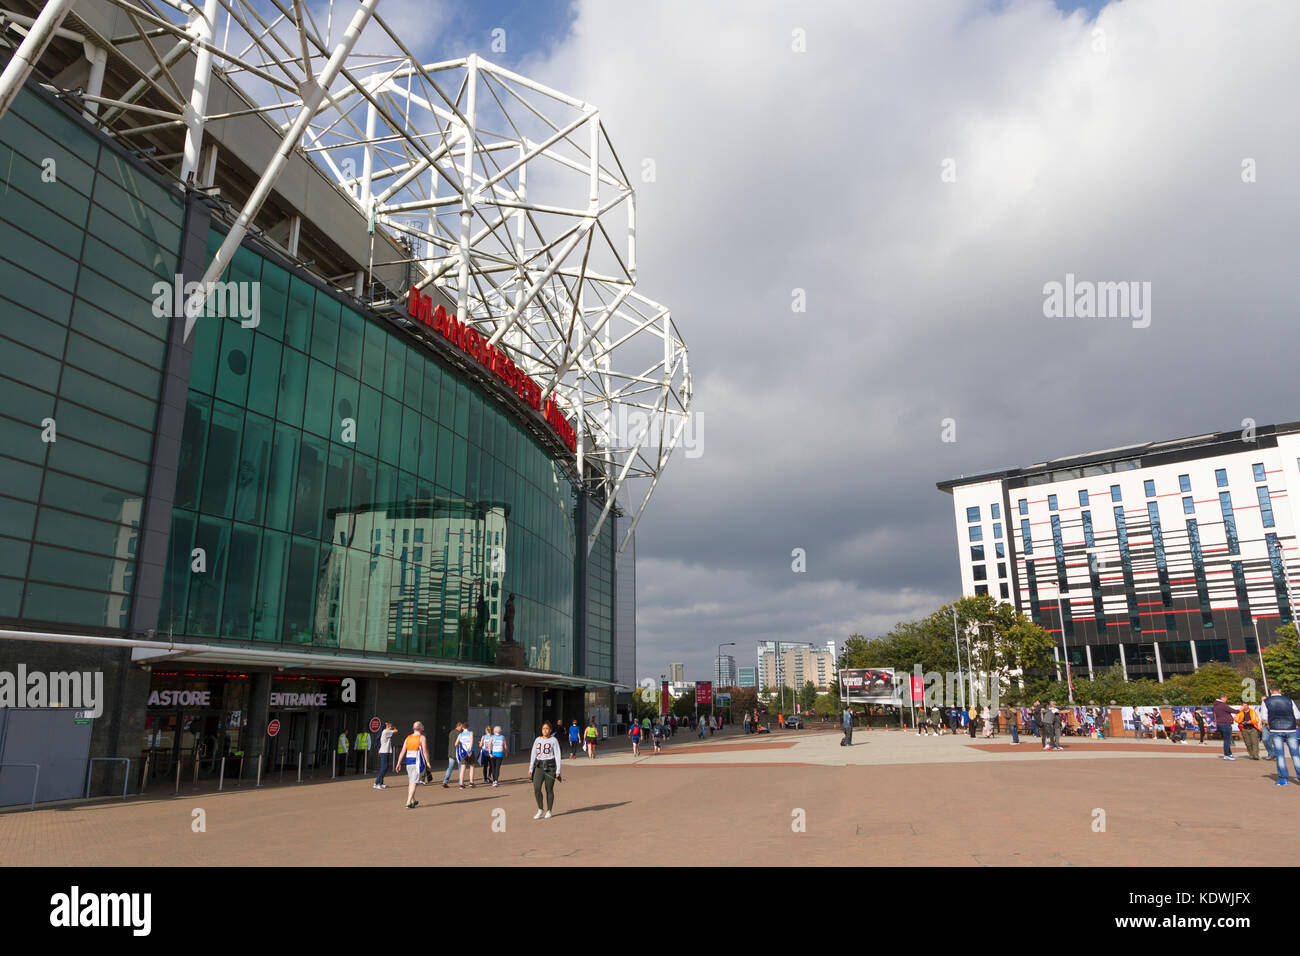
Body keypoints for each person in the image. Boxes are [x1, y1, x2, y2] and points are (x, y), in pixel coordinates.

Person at [1260, 686, 1300, 785]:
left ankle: (1283, 779)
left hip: (1276, 729)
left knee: (1280, 755)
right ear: (1280, 690)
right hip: (1291, 729)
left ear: (1270, 691)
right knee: (1295, 755)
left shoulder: (1266, 701)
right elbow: (1297, 715)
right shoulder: (1289, 700)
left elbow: (1264, 717)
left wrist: (1270, 722)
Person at [528, 722, 563, 818]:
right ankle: (540, 809)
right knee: (537, 788)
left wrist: (558, 771)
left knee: (549, 789)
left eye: (547, 728)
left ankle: (549, 810)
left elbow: (557, 755)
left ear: (550, 730)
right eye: (543, 728)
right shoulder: (537, 740)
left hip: (550, 767)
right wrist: (531, 768)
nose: (545, 730)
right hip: (539, 767)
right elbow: (533, 754)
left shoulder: (553, 740)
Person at [399, 721, 432, 810]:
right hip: (417, 763)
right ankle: (408, 802)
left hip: (408, 762)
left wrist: (398, 763)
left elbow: (403, 751)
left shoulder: (408, 738)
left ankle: (413, 800)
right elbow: (425, 751)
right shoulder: (422, 738)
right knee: (414, 782)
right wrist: (427, 762)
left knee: (412, 781)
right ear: (421, 728)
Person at [1211, 694, 1238, 760]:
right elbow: (1234, 711)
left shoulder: (1215, 705)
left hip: (1220, 724)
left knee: (1226, 740)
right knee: (1227, 740)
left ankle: (1229, 754)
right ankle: (1227, 754)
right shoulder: (1223, 705)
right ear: (1222, 698)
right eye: (1226, 698)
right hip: (1225, 724)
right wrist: (1242, 709)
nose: (1226, 700)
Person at [374, 721, 396, 790]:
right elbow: (396, 731)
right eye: (390, 727)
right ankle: (377, 783)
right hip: (384, 752)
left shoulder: (385, 732)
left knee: (385, 768)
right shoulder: (386, 731)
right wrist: (393, 727)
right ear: (388, 727)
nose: (391, 728)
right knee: (384, 767)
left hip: (385, 751)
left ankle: (381, 782)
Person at [441, 722, 463, 788]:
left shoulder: (451, 732)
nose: (462, 729)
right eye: (461, 727)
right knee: (460, 768)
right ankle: (460, 782)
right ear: (458, 726)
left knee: (450, 768)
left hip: (451, 752)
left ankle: (445, 781)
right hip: (458, 753)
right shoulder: (459, 734)